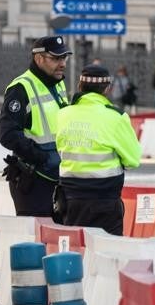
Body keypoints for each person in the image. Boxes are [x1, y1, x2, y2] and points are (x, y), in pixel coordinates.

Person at [54, 65, 142, 235]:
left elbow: (60, 149)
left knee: (76, 251)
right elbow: (133, 160)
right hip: (105, 199)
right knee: (110, 251)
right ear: (107, 89)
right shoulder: (116, 116)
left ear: (80, 86)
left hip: (71, 199)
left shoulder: (63, 114)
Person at [0, 35, 71, 217]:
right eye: (55, 58)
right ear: (39, 59)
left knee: (59, 240)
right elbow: (7, 133)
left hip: (58, 177)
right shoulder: (21, 88)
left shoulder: (57, 84)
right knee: (37, 242)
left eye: (64, 58)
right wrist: (40, 157)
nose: (62, 63)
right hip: (33, 181)